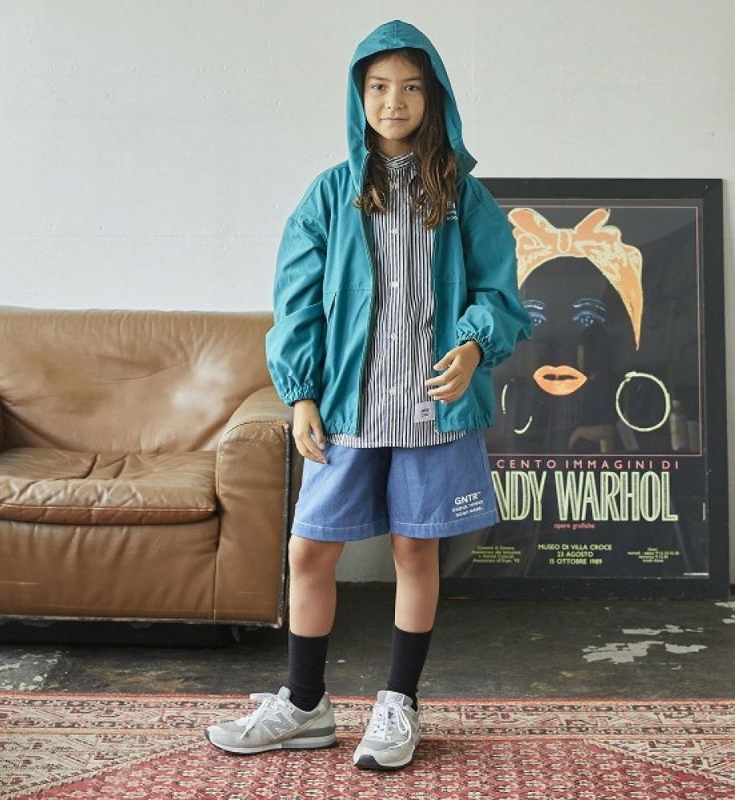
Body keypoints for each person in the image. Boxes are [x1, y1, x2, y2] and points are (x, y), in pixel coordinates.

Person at [205, 18, 532, 771]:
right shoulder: (330, 194)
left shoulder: (465, 196)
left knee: (415, 551)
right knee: (309, 550)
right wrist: (300, 394)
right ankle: (305, 704)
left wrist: (474, 344)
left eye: (411, 87)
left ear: (434, 96)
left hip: (433, 410)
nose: (394, 101)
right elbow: (298, 303)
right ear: (359, 96)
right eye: (379, 87)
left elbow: (501, 294)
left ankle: (398, 703)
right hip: (348, 409)